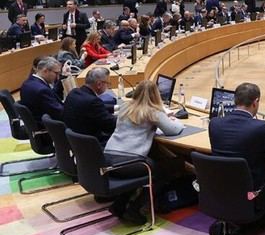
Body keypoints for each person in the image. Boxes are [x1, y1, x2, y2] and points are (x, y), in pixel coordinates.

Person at [209, 83, 265, 226]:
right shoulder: (261, 127)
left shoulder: (215, 123)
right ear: (255, 102)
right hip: (255, 193)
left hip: (221, 190)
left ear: (235, 100)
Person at [104, 80, 184, 224]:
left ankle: (119, 205)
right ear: (156, 95)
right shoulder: (153, 111)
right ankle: (135, 209)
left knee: (140, 171)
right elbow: (173, 130)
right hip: (129, 161)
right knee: (164, 171)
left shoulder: (125, 107)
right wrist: (176, 121)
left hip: (108, 157)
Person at [63, 67, 117, 145]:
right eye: (107, 83)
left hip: (76, 143)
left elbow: (92, 108)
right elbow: (110, 125)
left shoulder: (74, 93)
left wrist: (116, 108)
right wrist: (125, 117)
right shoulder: (93, 101)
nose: (108, 87)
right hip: (93, 144)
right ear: (99, 84)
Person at [19, 56, 64, 123]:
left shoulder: (27, 82)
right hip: (46, 125)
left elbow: (52, 95)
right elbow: (59, 113)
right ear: (45, 71)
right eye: (56, 73)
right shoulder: (42, 90)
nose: (57, 77)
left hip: (35, 120)